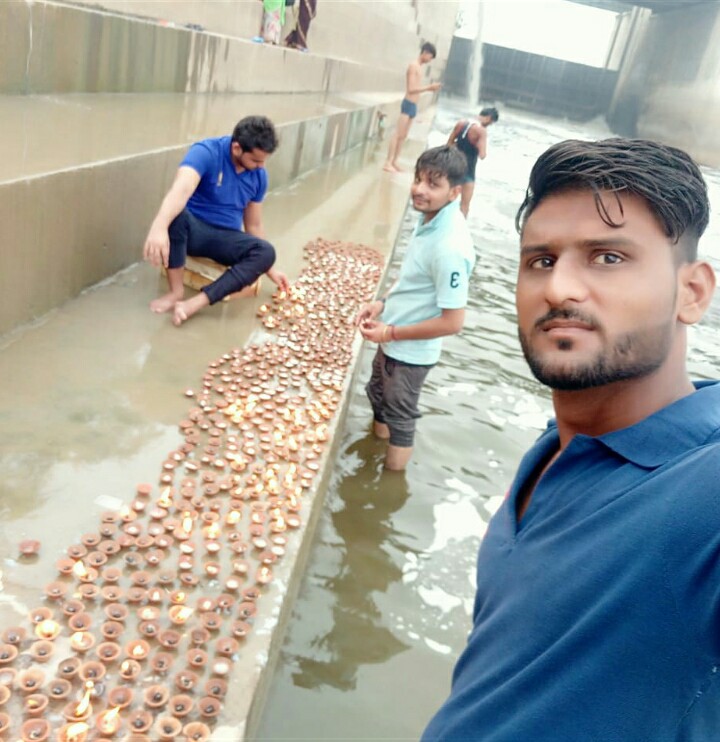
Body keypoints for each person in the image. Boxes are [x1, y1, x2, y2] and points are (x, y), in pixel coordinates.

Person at [422, 138, 718, 741]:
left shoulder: (702, 491)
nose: (559, 289)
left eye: (607, 257)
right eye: (541, 260)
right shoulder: (552, 449)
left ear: (692, 293)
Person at [357, 146, 475, 471]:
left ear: (454, 192)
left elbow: (453, 322)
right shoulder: (430, 219)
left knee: (400, 418)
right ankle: (372, 454)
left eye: (432, 184)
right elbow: (411, 277)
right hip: (393, 337)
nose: (419, 189)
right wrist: (381, 303)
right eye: (418, 179)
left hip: (410, 353)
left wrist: (390, 332)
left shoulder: (449, 247)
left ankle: (389, 483)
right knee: (377, 395)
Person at [143, 115, 289, 326]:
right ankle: (176, 293)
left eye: (264, 161)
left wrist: (270, 269)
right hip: (193, 231)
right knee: (176, 215)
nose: (261, 166)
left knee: (266, 251)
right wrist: (158, 228)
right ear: (237, 148)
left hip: (225, 239)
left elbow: (253, 225)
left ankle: (195, 303)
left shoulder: (259, 175)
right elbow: (180, 190)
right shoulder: (206, 152)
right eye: (256, 161)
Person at [383, 42, 442, 173]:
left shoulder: (419, 67)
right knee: (397, 134)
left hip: (413, 105)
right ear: (425, 52)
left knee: (403, 135)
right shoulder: (413, 66)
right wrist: (429, 88)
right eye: (430, 57)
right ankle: (388, 162)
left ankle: (394, 161)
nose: (430, 60)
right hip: (408, 103)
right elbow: (411, 89)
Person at [447, 106, 499, 217]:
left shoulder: (461, 123)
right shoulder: (481, 131)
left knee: (446, 199)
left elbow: (449, 144)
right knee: (464, 205)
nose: (489, 125)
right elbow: (482, 155)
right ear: (489, 118)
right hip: (468, 171)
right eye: (491, 123)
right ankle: (459, 226)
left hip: (454, 167)